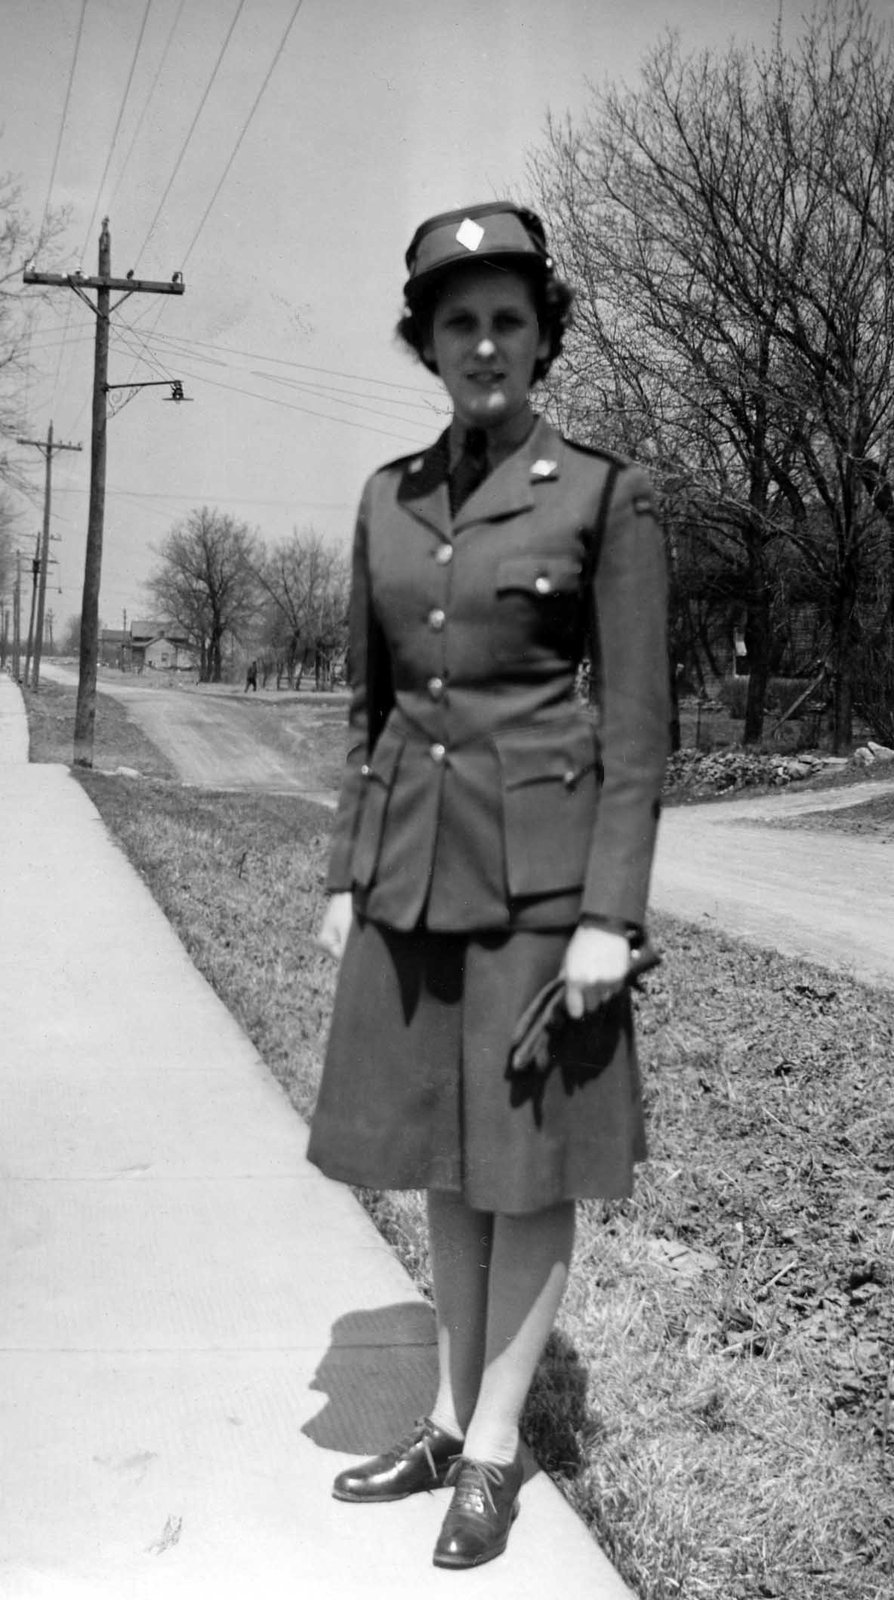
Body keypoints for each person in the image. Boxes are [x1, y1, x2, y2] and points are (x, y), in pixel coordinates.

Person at [308, 201, 668, 1570]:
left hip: (540, 889)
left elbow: (634, 730)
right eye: (456, 322)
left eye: (507, 319)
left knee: (522, 1173)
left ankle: (499, 1446)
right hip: (409, 879)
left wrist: (605, 915)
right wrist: (350, 868)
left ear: (543, 337)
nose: (483, 343)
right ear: (425, 343)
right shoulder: (384, 496)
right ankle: (452, 1422)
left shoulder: (600, 492)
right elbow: (367, 705)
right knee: (443, 1171)